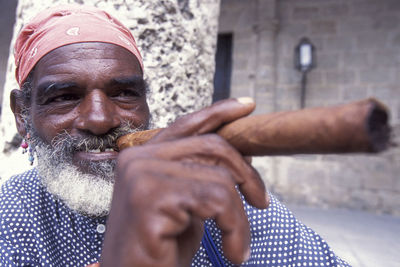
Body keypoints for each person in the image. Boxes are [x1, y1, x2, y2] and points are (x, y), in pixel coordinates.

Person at [0, 5, 350, 267]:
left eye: (123, 93)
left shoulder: (216, 198)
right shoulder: (12, 215)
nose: (100, 120)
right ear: (22, 114)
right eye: (64, 96)